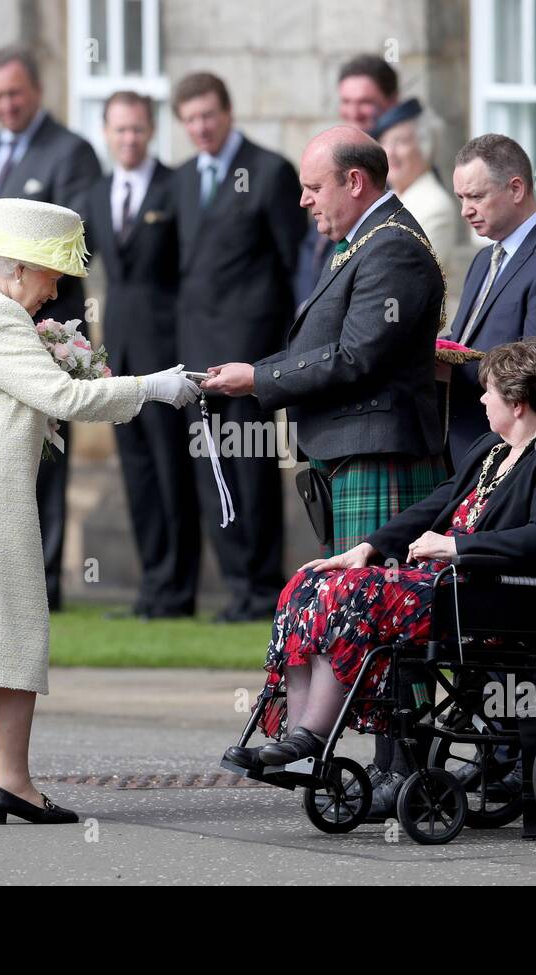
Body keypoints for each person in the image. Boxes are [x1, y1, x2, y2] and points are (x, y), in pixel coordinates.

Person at [0, 198, 200, 825]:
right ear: (23, 268)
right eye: (54, 275)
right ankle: (14, 782)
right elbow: (61, 395)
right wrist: (154, 387)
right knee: (15, 635)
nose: (57, 291)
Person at [204, 125, 449, 815]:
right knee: (355, 612)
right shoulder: (363, 240)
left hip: (384, 453)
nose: (306, 199)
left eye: (315, 186)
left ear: (355, 182)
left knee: (384, 617)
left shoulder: (394, 247)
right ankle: (376, 760)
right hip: (355, 452)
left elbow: (357, 354)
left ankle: (405, 771)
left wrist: (261, 378)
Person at [224, 337, 536, 769]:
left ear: (517, 403)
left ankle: (311, 736)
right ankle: (294, 737)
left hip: (493, 592)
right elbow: (435, 505)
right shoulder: (489, 451)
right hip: (446, 585)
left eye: (489, 390)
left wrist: (455, 546)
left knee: (350, 595)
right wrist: (367, 548)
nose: (481, 398)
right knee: (310, 583)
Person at [0, 45, 101, 612]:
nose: (7, 105)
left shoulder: (72, 152)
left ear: (35, 90)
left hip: (43, 323)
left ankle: (42, 586)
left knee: (43, 453)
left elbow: (81, 243)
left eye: (15, 93)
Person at [172, 72, 307, 623]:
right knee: (211, 468)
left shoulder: (270, 171)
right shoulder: (180, 180)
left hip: (251, 355)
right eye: (191, 119)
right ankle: (234, 586)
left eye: (209, 114)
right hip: (195, 352)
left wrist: (279, 354)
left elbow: (294, 264)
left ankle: (261, 587)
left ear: (227, 112)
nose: (201, 127)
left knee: (250, 466)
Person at [79, 91, 198, 619]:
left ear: (150, 131)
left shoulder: (177, 187)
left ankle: (178, 589)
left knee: (173, 470)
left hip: (168, 349)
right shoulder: (96, 192)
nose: (128, 139)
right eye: (119, 130)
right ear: (106, 132)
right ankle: (152, 586)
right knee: (139, 473)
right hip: (120, 353)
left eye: (137, 130)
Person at [446, 134, 536, 465]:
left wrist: (450, 367)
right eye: (460, 197)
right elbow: (464, 342)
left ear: (516, 189)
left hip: (523, 456)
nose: (465, 210)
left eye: (476, 196)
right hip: (470, 449)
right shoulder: (484, 259)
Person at [292, 54, 400, 304]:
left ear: (392, 102)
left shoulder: (401, 168)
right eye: (346, 101)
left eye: (365, 102)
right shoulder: (331, 160)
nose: (354, 112)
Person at [371, 97, 462, 326]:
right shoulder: (391, 198)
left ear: (425, 146)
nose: (389, 152)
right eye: (384, 142)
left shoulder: (434, 206)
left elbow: (406, 285)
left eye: (400, 142)